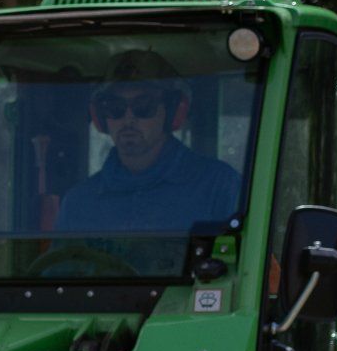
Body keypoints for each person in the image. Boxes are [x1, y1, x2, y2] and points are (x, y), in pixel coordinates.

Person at [55, 49, 243, 233]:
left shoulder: (220, 187)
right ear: (100, 116)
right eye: (115, 107)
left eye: (143, 106)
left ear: (172, 112)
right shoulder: (79, 203)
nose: (128, 120)